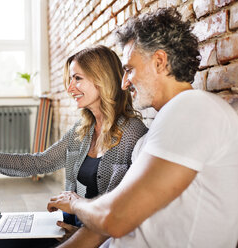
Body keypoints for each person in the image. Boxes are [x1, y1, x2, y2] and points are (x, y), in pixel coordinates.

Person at [47, 8, 238, 248]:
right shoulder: (156, 131)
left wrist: (75, 203)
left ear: (159, 62)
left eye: (129, 69)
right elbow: (105, 222)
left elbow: (112, 219)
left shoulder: (192, 109)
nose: (124, 83)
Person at [0, 45, 148, 248]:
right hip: (69, 226)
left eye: (77, 78)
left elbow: (119, 211)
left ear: (102, 78)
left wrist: (82, 235)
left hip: (94, 236)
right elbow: (41, 162)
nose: (70, 88)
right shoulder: (83, 129)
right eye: (70, 80)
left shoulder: (132, 133)